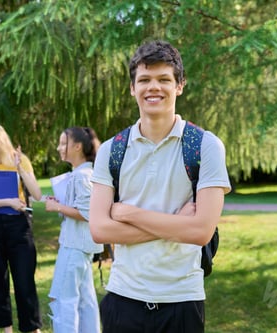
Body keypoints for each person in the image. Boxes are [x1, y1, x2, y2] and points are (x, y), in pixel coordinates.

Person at [89, 40, 232, 333]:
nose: (153, 87)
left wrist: (128, 212)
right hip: (122, 298)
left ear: (179, 85)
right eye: (144, 80)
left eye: (164, 79)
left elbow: (200, 231)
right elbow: (100, 230)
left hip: (182, 300)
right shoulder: (110, 150)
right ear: (132, 88)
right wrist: (177, 223)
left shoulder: (205, 146)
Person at [0, 124, 42, 333]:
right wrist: (8, 201)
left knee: (24, 281)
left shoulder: (19, 160)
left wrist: (20, 168)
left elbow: (37, 195)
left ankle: (32, 328)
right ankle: (6, 329)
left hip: (19, 227)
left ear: (1, 140)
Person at [45, 126, 103, 333]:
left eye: (63, 143)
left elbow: (88, 213)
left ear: (77, 147)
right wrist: (61, 203)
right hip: (82, 246)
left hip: (74, 246)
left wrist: (57, 207)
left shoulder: (81, 176)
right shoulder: (84, 173)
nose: (59, 148)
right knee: (85, 300)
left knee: (63, 299)